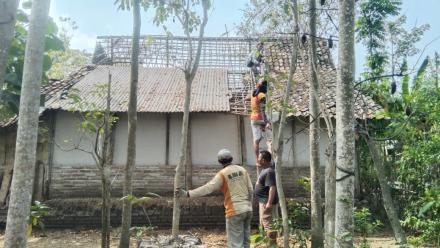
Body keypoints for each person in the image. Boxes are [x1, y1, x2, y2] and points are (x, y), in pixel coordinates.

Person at [176, 149, 254, 248]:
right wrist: (249, 206)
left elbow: (208, 188)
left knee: (235, 244)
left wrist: (188, 194)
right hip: (248, 210)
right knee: (246, 241)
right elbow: (251, 190)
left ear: (219, 161)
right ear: (232, 158)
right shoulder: (242, 170)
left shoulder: (222, 174)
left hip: (235, 211)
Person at [255, 150, 279, 245]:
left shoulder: (269, 171)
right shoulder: (265, 169)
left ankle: (272, 244)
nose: (258, 160)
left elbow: (272, 188)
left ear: (264, 160)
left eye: (259, 158)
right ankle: (268, 243)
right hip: (263, 201)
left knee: (268, 224)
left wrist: (269, 203)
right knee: (265, 223)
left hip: (266, 202)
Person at [250, 78, 273, 165]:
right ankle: (269, 160)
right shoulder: (262, 95)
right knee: (270, 140)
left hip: (254, 119)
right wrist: (266, 122)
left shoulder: (253, 94)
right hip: (261, 119)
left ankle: (257, 161)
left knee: (256, 141)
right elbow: (263, 111)